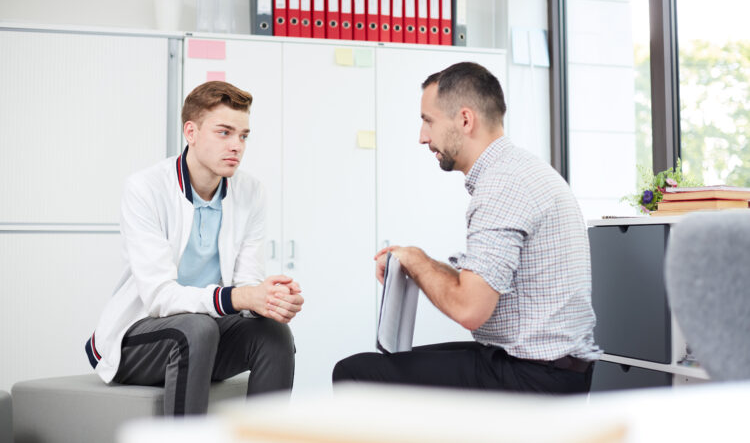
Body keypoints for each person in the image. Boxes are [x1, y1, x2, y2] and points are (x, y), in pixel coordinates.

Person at [333, 62, 601, 394]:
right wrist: (415, 260)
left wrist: (417, 262)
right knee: (387, 364)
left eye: (428, 121)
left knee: (355, 375)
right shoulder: (518, 170)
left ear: (464, 119)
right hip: (548, 367)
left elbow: (469, 308)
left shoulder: (502, 186)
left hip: (535, 378)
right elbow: (477, 283)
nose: (422, 137)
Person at [85, 81, 304, 415]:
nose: (237, 146)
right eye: (224, 132)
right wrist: (241, 297)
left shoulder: (251, 192)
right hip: (141, 339)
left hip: (206, 336)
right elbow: (159, 297)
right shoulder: (146, 188)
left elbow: (246, 282)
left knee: (275, 334)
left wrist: (270, 300)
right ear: (191, 131)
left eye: (243, 135)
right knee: (196, 328)